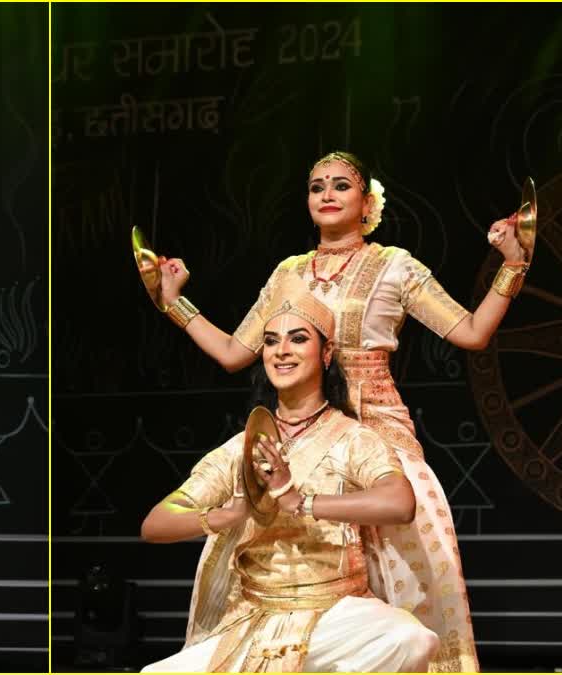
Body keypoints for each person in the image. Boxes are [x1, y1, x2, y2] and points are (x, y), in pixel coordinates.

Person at [152, 151, 527, 670]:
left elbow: (471, 333)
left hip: (375, 427)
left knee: (403, 574)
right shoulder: (289, 272)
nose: (327, 194)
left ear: (367, 202)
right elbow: (236, 353)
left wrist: (514, 265)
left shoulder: (394, 265)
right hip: (297, 427)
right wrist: (172, 301)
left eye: (341, 186)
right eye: (316, 187)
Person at [141, 273, 438, 672]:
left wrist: (300, 501)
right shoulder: (241, 448)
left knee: (409, 639)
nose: (282, 351)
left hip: (335, 619)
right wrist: (230, 515)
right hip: (252, 619)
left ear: (326, 352)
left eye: (298, 339)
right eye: (270, 341)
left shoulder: (353, 438)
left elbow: (400, 504)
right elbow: (155, 524)